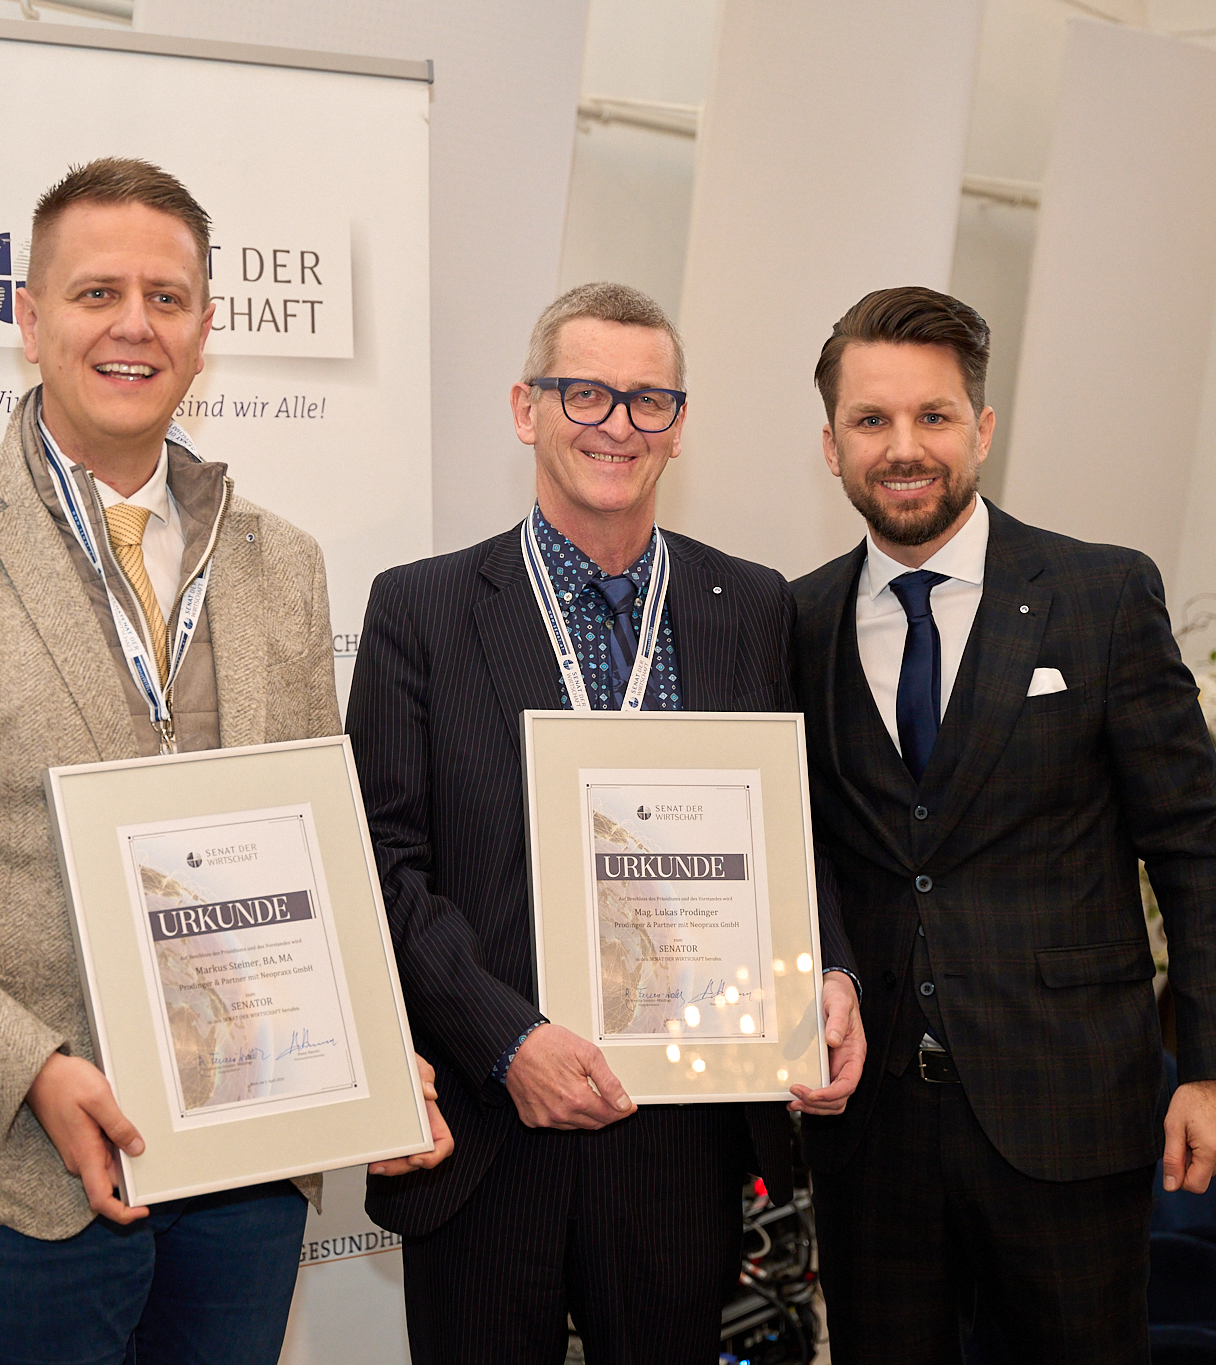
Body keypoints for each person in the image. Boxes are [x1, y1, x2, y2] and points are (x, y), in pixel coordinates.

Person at [0, 157, 448, 1365]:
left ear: (204, 329)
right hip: (4, 1183)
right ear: (29, 321)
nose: (135, 324)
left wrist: (375, 1050)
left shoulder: (282, 563)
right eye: (96, 293)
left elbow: (314, 855)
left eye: (165, 298)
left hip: (243, 1175)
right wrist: (27, 1068)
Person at [347, 281, 866, 1364]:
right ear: (524, 408)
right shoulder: (420, 609)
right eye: (583, 393)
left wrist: (828, 971)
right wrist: (509, 1042)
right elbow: (382, 866)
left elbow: (785, 832)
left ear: (678, 426)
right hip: (491, 1123)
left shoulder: (749, 606)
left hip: (679, 1135)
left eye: (647, 401)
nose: (615, 425)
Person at [788, 286, 1216, 1363]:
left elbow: (1194, 843)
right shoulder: (796, 621)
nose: (903, 447)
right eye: (870, 420)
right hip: (870, 1137)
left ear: (982, 428)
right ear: (830, 445)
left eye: (933, 416)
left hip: (1069, 1112)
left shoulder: (1100, 596)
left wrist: (1215, 1066)